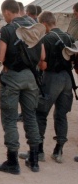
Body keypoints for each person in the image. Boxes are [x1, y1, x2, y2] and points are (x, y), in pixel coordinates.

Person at [0, 0, 44, 175]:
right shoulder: (35, 27)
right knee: (30, 116)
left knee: (9, 119)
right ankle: (34, 159)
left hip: (12, 77)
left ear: (7, 12)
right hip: (31, 77)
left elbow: (0, 57)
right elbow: (42, 55)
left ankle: (13, 161)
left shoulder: (8, 29)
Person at [18, 11, 75, 163]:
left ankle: (39, 151)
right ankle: (58, 150)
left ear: (43, 24)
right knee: (61, 115)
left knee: (40, 114)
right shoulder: (68, 36)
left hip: (51, 78)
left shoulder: (46, 39)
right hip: (68, 79)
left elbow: (43, 64)